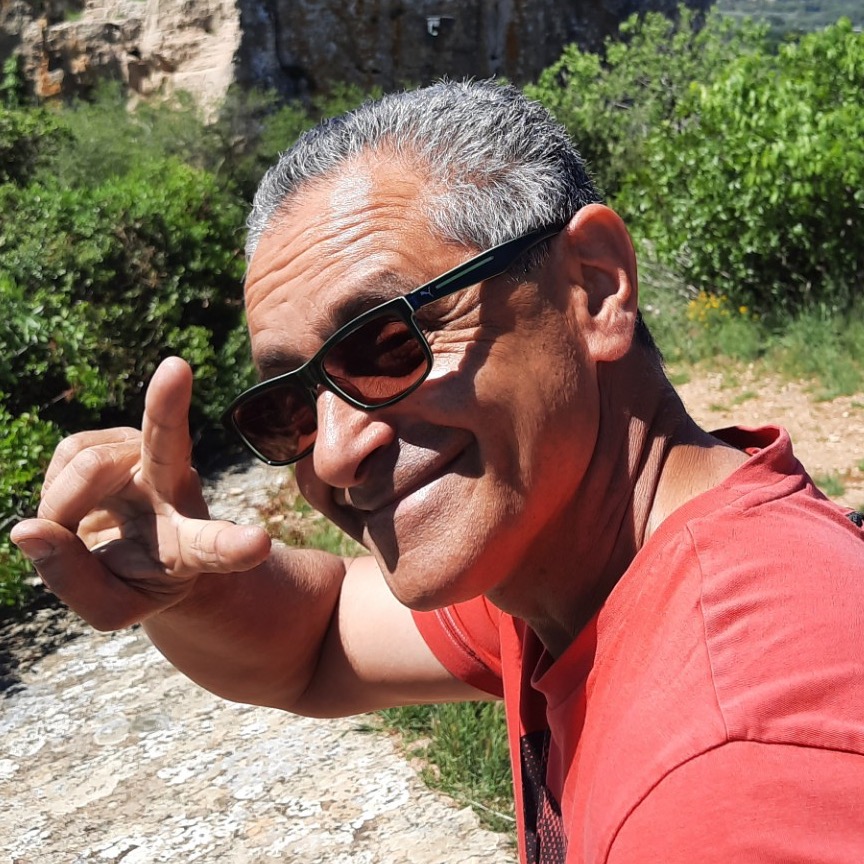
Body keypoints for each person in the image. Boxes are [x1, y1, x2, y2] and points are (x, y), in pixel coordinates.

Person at [10, 80, 864, 863]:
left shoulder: (735, 771)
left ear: (595, 288)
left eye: (387, 343)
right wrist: (182, 587)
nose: (335, 452)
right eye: (292, 406)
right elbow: (318, 643)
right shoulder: (570, 561)